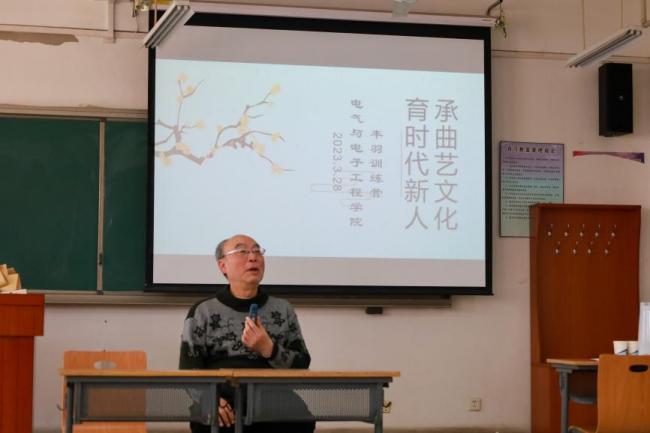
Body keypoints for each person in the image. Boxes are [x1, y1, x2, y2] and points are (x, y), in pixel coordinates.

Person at [179, 234, 315, 433]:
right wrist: (209, 400)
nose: (253, 257)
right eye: (242, 251)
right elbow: (188, 370)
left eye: (257, 251)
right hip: (222, 396)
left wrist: (269, 349)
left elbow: (302, 365)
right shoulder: (202, 311)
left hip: (274, 397)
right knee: (213, 421)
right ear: (223, 266)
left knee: (301, 420)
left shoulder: (283, 309)